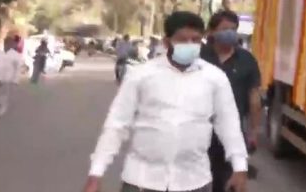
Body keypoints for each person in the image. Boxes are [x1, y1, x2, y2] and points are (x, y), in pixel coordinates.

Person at [83, 11, 248, 192]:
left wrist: (240, 167)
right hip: (142, 180)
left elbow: (229, 124)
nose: (190, 45)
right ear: (167, 42)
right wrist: (96, 173)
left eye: (195, 40)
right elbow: (117, 124)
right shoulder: (141, 75)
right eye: (182, 40)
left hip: (194, 181)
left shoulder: (215, 78)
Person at [200, 10, 262, 191]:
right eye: (224, 29)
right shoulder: (199, 56)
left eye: (233, 29)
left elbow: (254, 99)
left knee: (227, 183)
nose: (230, 33)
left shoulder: (247, 60)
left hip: (230, 134)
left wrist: (253, 132)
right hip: (198, 133)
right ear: (211, 32)